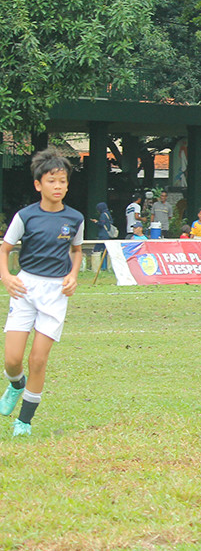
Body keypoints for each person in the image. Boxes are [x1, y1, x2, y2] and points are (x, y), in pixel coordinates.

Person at [0, 149, 84, 436]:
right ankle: (15, 384)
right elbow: (5, 248)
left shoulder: (75, 218)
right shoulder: (25, 216)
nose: (57, 186)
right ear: (38, 185)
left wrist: (73, 276)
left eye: (62, 181)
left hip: (55, 292)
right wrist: (7, 276)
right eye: (51, 181)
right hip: (25, 287)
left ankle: (24, 421)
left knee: (38, 359)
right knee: (12, 359)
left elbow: (76, 249)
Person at [89, 202, 114, 271]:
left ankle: (96, 267)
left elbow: (101, 224)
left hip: (102, 235)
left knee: (96, 250)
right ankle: (105, 267)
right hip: (107, 235)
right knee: (105, 251)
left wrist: (96, 222)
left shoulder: (103, 215)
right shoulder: (108, 214)